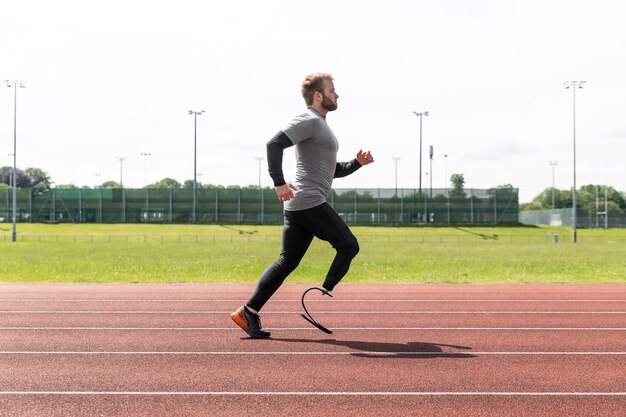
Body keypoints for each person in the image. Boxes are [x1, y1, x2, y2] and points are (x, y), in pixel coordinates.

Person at [231, 73, 374, 339]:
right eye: (332, 90)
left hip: (301, 204)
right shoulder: (309, 119)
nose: (337, 94)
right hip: (308, 201)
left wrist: (356, 163)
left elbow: (332, 170)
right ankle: (324, 290)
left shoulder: (320, 125)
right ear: (318, 95)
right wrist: (279, 182)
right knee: (348, 245)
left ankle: (247, 312)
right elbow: (274, 144)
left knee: (288, 261)